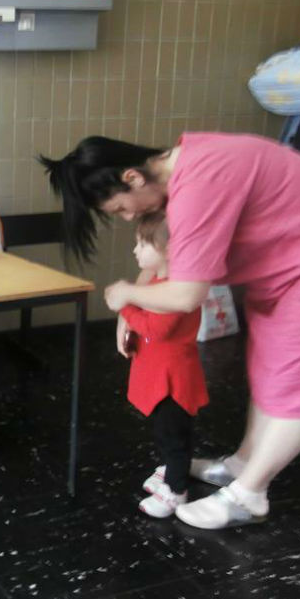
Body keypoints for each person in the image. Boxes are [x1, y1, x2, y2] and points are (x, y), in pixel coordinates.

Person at [40, 132, 300, 529]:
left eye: (121, 208)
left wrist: (125, 294)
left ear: (132, 177)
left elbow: (185, 295)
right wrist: (134, 304)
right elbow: (163, 256)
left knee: (299, 386)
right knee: (270, 371)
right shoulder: (180, 167)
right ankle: (243, 464)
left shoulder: (199, 185)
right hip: (290, 267)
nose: (127, 218)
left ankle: (249, 496)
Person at [118, 212, 208, 518]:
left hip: (173, 382)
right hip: (161, 376)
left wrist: (126, 307)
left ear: (169, 250)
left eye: (142, 244)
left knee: (174, 436)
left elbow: (157, 329)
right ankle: (172, 470)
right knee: (166, 432)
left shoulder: (175, 289)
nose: (135, 251)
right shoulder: (159, 283)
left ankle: (176, 490)